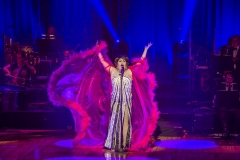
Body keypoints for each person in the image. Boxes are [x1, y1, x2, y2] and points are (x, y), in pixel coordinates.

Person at [47, 41, 159, 151]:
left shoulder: (130, 71)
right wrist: (98, 50)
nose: (121, 64)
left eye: (123, 63)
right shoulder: (113, 71)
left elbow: (140, 63)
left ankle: (124, 143)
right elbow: (102, 61)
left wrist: (145, 51)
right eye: (120, 63)